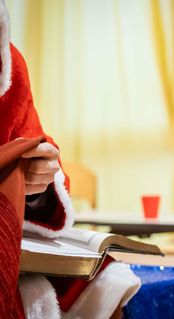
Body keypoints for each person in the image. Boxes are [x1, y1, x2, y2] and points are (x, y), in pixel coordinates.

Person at [0, 2, 140, 318]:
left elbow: (34, 142)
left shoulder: (11, 64)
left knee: (107, 279)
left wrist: (40, 182)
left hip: (12, 234)